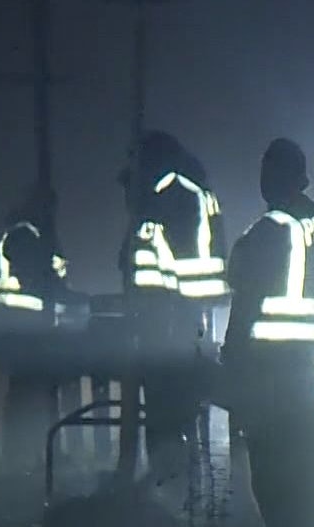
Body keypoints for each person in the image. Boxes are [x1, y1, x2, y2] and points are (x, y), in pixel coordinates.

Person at [223, 138, 314, 527]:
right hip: (310, 367)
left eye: (266, 173)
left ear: (278, 176)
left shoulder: (271, 227)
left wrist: (231, 358)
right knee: (307, 468)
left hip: (268, 370)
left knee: (271, 471)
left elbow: (245, 297)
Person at [117, 131, 227, 488]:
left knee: (168, 406)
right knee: (169, 407)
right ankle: (173, 479)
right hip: (173, 322)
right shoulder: (177, 194)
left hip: (172, 324)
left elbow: (183, 268)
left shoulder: (175, 196)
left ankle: (173, 484)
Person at [0, 185, 70, 465]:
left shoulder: (35, 236)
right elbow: (39, 283)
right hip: (22, 326)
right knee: (25, 394)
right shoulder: (23, 235)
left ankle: (35, 452)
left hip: (29, 326)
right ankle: (20, 455)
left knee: (32, 392)